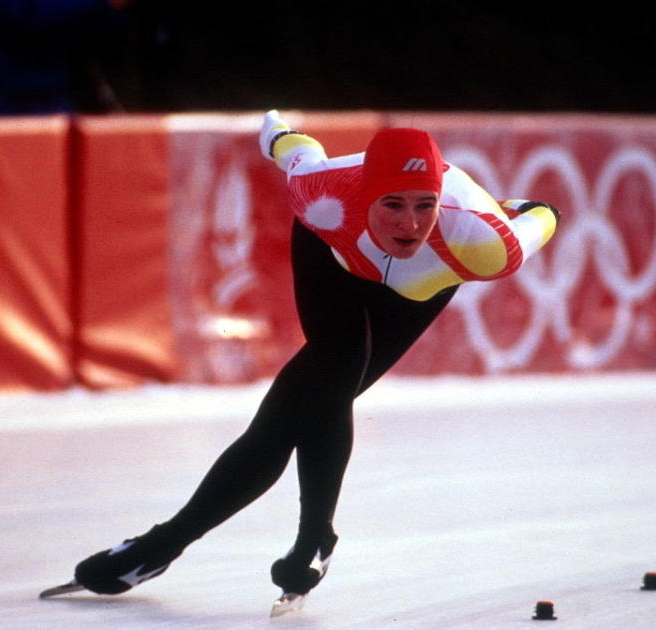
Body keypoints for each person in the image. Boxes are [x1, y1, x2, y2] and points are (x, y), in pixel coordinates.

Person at [62, 110, 560, 612]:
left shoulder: (482, 243)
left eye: (423, 205)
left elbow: (542, 217)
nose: (409, 224)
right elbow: (294, 147)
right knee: (332, 373)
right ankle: (305, 538)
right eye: (392, 205)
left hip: (420, 284)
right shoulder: (322, 192)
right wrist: (275, 130)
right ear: (367, 194)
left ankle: (164, 546)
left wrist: (531, 209)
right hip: (332, 251)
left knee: (296, 412)